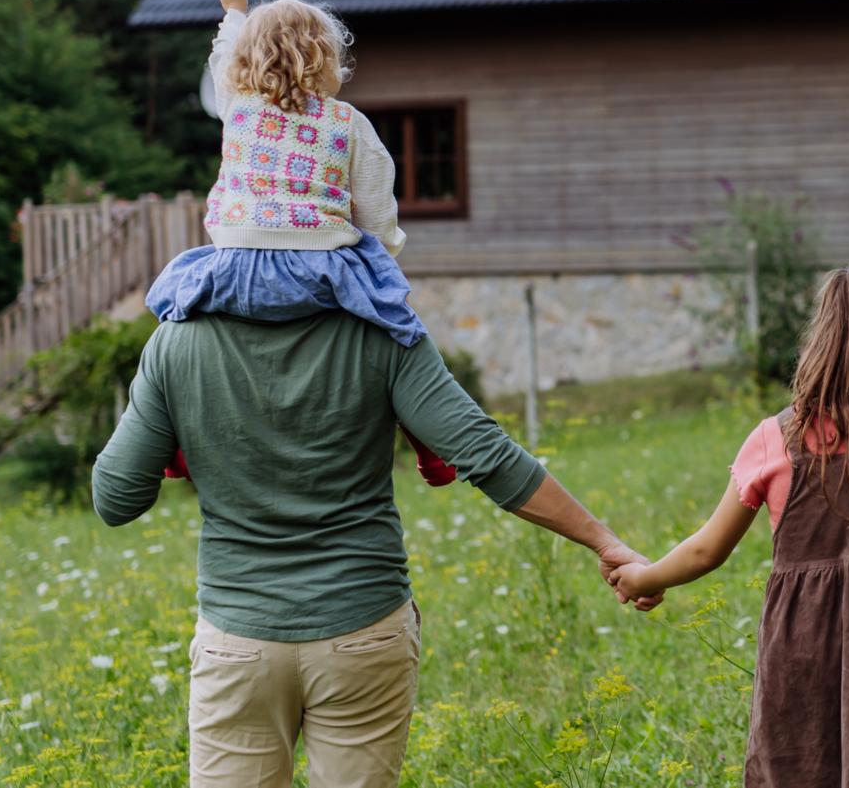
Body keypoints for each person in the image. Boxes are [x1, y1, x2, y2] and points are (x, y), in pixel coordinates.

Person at [92, 309, 659, 787]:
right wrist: (603, 541)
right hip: (364, 633)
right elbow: (487, 454)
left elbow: (116, 497)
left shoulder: (176, 340)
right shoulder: (380, 328)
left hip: (238, 643)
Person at [610, 268, 849, 788]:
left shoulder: (773, 438)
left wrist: (646, 577)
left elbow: (706, 549)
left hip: (797, 661)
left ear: (819, 353)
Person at [148, 0, 453, 486]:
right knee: (401, 332)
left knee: (171, 320)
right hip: (320, 271)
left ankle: (168, 440)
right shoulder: (348, 122)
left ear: (247, 58)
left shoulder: (236, 106)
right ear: (326, 57)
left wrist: (234, 11)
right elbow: (377, 212)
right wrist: (384, 257)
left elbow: (223, 58)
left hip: (235, 269)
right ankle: (431, 449)